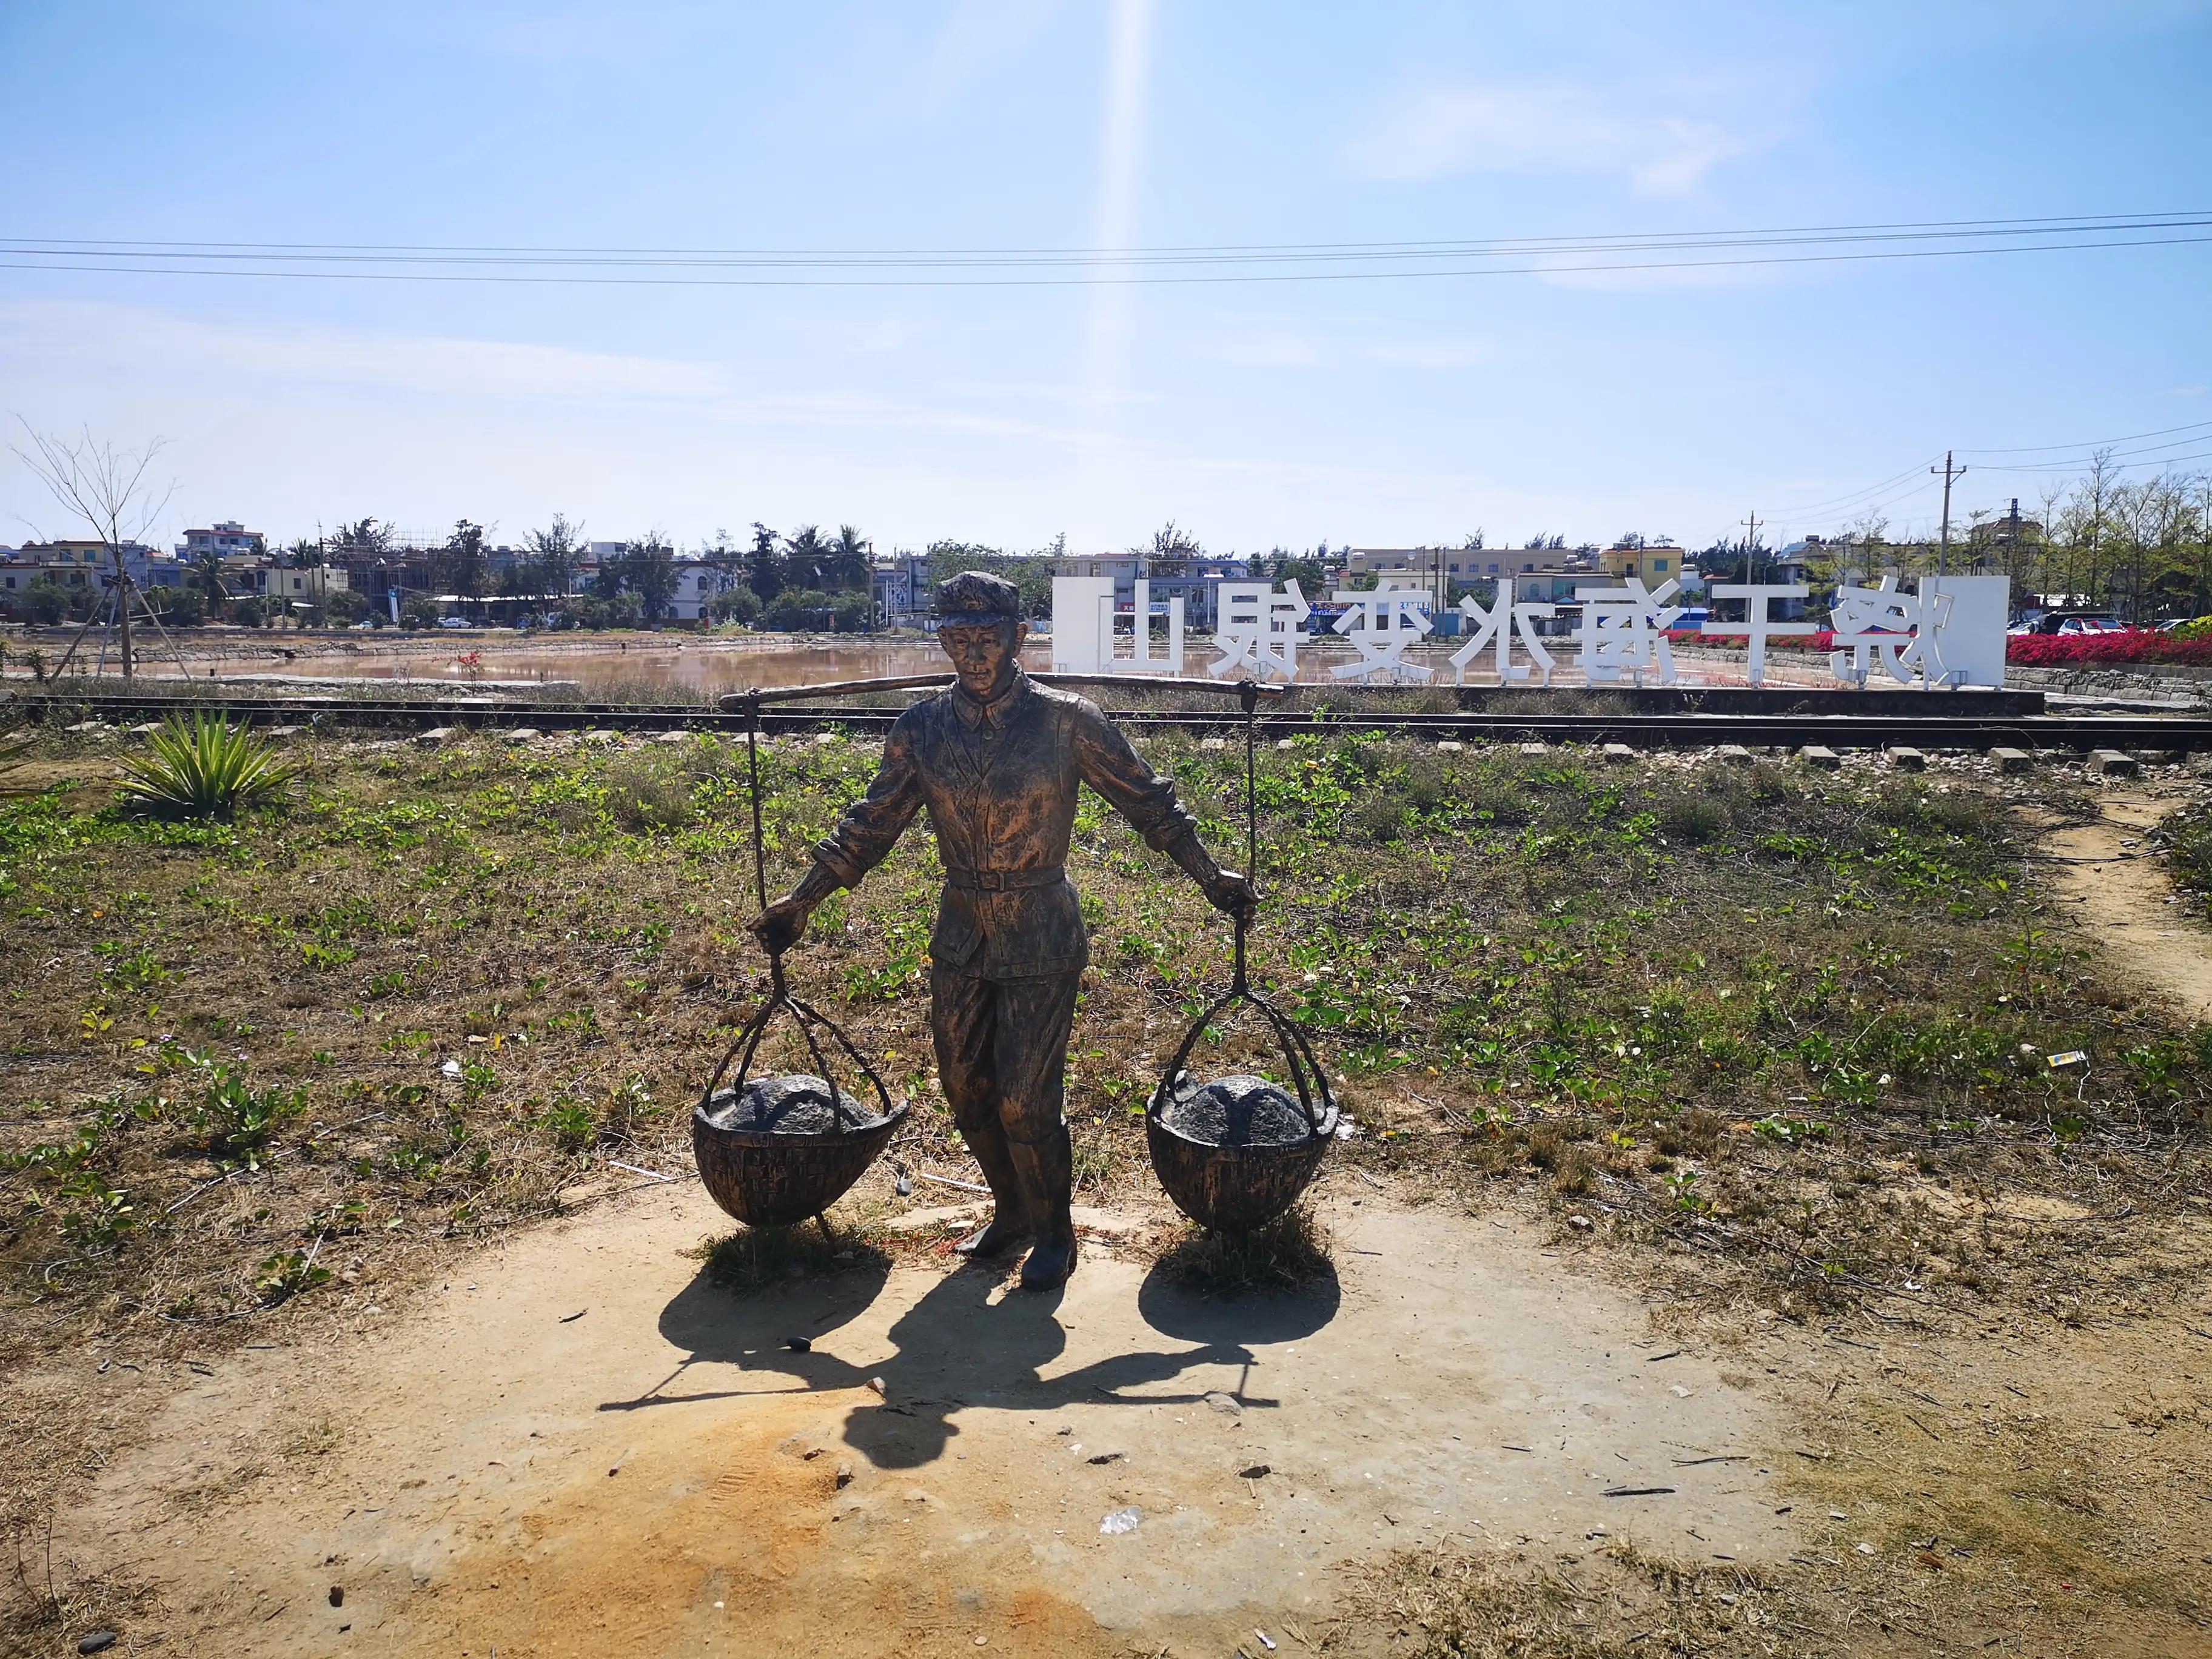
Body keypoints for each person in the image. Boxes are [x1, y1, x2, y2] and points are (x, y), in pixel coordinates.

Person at [751, 571, 1255, 1290]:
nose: (973, 655)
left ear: (1020, 639)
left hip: (1040, 929)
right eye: (958, 640)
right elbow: (870, 826)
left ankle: (1054, 1232)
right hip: (962, 928)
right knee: (966, 1088)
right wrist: (802, 902)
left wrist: (1212, 877)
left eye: (987, 639)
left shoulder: (1067, 721)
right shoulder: (921, 729)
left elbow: (1151, 804)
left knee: (1026, 1095)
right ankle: (1011, 1210)